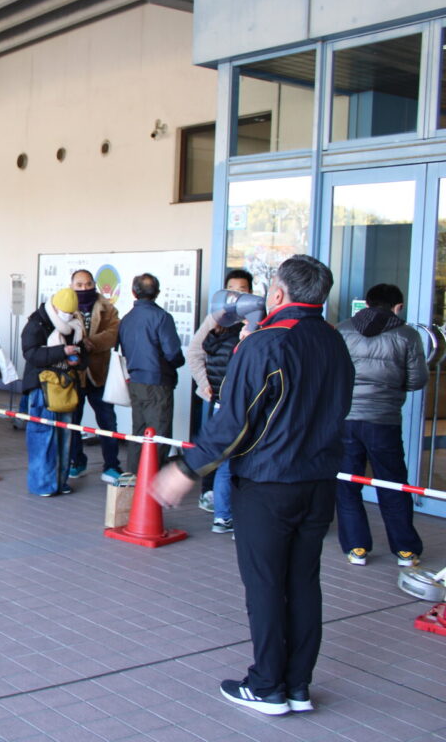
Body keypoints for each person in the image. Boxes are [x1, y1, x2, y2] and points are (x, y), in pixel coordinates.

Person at [153, 255, 353, 717]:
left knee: (265, 585)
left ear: (277, 293)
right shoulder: (334, 340)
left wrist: (186, 469)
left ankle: (266, 686)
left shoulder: (266, 343)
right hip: (319, 482)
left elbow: (234, 422)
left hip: (268, 484)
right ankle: (297, 685)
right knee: (303, 583)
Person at [336, 283, 428, 567]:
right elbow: (417, 380)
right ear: (398, 307)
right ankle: (405, 551)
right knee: (393, 483)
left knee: (348, 482)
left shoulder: (343, 330)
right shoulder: (407, 334)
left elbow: (332, 373)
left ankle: (356, 548)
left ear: (367, 304)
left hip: (346, 418)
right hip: (384, 420)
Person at [186, 268, 254, 531]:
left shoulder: (255, 320)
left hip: (243, 400)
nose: (236, 295)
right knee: (222, 454)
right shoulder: (216, 319)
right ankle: (219, 505)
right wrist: (206, 385)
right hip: (223, 400)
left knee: (231, 456)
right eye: (232, 290)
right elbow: (194, 353)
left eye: (242, 290)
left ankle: (225, 510)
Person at [22, 289, 87, 496]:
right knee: (43, 435)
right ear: (54, 307)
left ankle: (60, 481)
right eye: (64, 311)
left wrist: (77, 360)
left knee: (65, 436)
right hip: (42, 386)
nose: (67, 315)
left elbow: (83, 354)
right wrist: (62, 352)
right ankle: (42, 484)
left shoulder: (76, 326)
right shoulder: (36, 323)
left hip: (66, 385)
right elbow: (31, 354)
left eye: (71, 312)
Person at [117, 273, 183, 475]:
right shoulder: (162, 317)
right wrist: (178, 363)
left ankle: (133, 478)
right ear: (157, 292)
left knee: (139, 432)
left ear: (133, 292)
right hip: (158, 382)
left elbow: (124, 351)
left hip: (135, 381)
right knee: (158, 434)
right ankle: (151, 480)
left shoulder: (126, 319)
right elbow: (173, 353)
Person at [61, 269, 122, 483]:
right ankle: (77, 461)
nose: (84, 288)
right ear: (71, 286)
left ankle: (112, 465)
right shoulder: (63, 305)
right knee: (73, 421)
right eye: (79, 285)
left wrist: (92, 343)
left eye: (88, 284)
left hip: (99, 374)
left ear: (94, 284)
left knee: (108, 421)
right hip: (74, 374)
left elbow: (114, 332)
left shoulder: (107, 307)